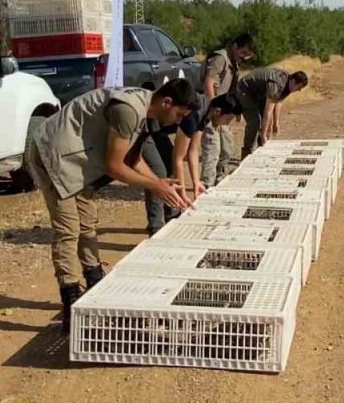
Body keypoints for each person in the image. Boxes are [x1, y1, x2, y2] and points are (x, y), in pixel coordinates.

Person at [26, 80, 199, 331]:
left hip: (80, 160)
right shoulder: (128, 110)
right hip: (54, 153)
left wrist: (158, 182)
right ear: (167, 102)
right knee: (69, 229)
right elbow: (115, 167)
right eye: (179, 115)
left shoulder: (145, 114)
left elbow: (133, 158)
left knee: (88, 223)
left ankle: (95, 282)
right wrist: (155, 186)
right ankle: (71, 300)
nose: (176, 122)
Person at [140, 92, 244, 235]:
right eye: (228, 119)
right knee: (159, 173)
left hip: (159, 130)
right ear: (218, 111)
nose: (226, 124)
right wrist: (183, 193)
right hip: (148, 125)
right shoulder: (194, 116)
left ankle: (171, 213)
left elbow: (193, 150)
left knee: (169, 167)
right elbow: (179, 157)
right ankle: (156, 226)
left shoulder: (206, 112)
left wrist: (196, 183)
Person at [200, 33, 256, 186]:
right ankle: (206, 184)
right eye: (243, 52)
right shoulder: (220, 59)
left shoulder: (234, 62)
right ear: (234, 46)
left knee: (227, 149)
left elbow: (231, 90)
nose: (244, 57)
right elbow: (208, 83)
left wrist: (236, 111)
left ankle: (219, 176)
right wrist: (211, 111)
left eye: (248, 55)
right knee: (213, 149)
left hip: (224, 111)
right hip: (211, 111)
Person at [234, 68, 308, 158]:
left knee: (268, 124)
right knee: (255, 122)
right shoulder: (277, 83)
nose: (299, 90)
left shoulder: (288, 86)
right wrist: (263, 134)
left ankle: (261, 151)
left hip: (258, 94)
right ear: (293, 81)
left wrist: (276, 123)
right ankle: (247, 154)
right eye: (299, 87)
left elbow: (278, 102)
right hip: (245, 90)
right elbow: (268, 111)